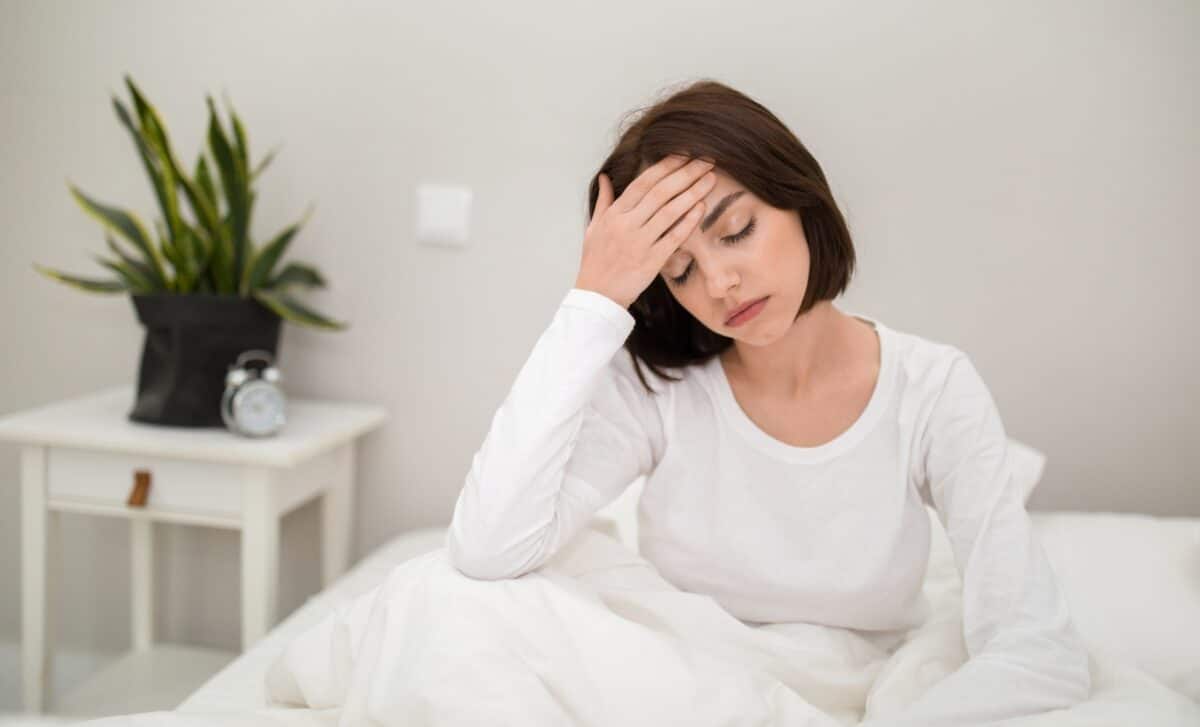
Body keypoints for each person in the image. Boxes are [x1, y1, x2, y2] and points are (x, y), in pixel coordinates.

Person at [444, 78, 1091, 725]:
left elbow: (1038, 649)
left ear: (797, 195)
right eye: (680, 272)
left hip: (864, 686)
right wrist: (593, 298)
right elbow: (487, 548)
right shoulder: (660, 389)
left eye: (735, 229)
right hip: (682, 682)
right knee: (438, 598)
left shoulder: (932, 386)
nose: (720, 282)